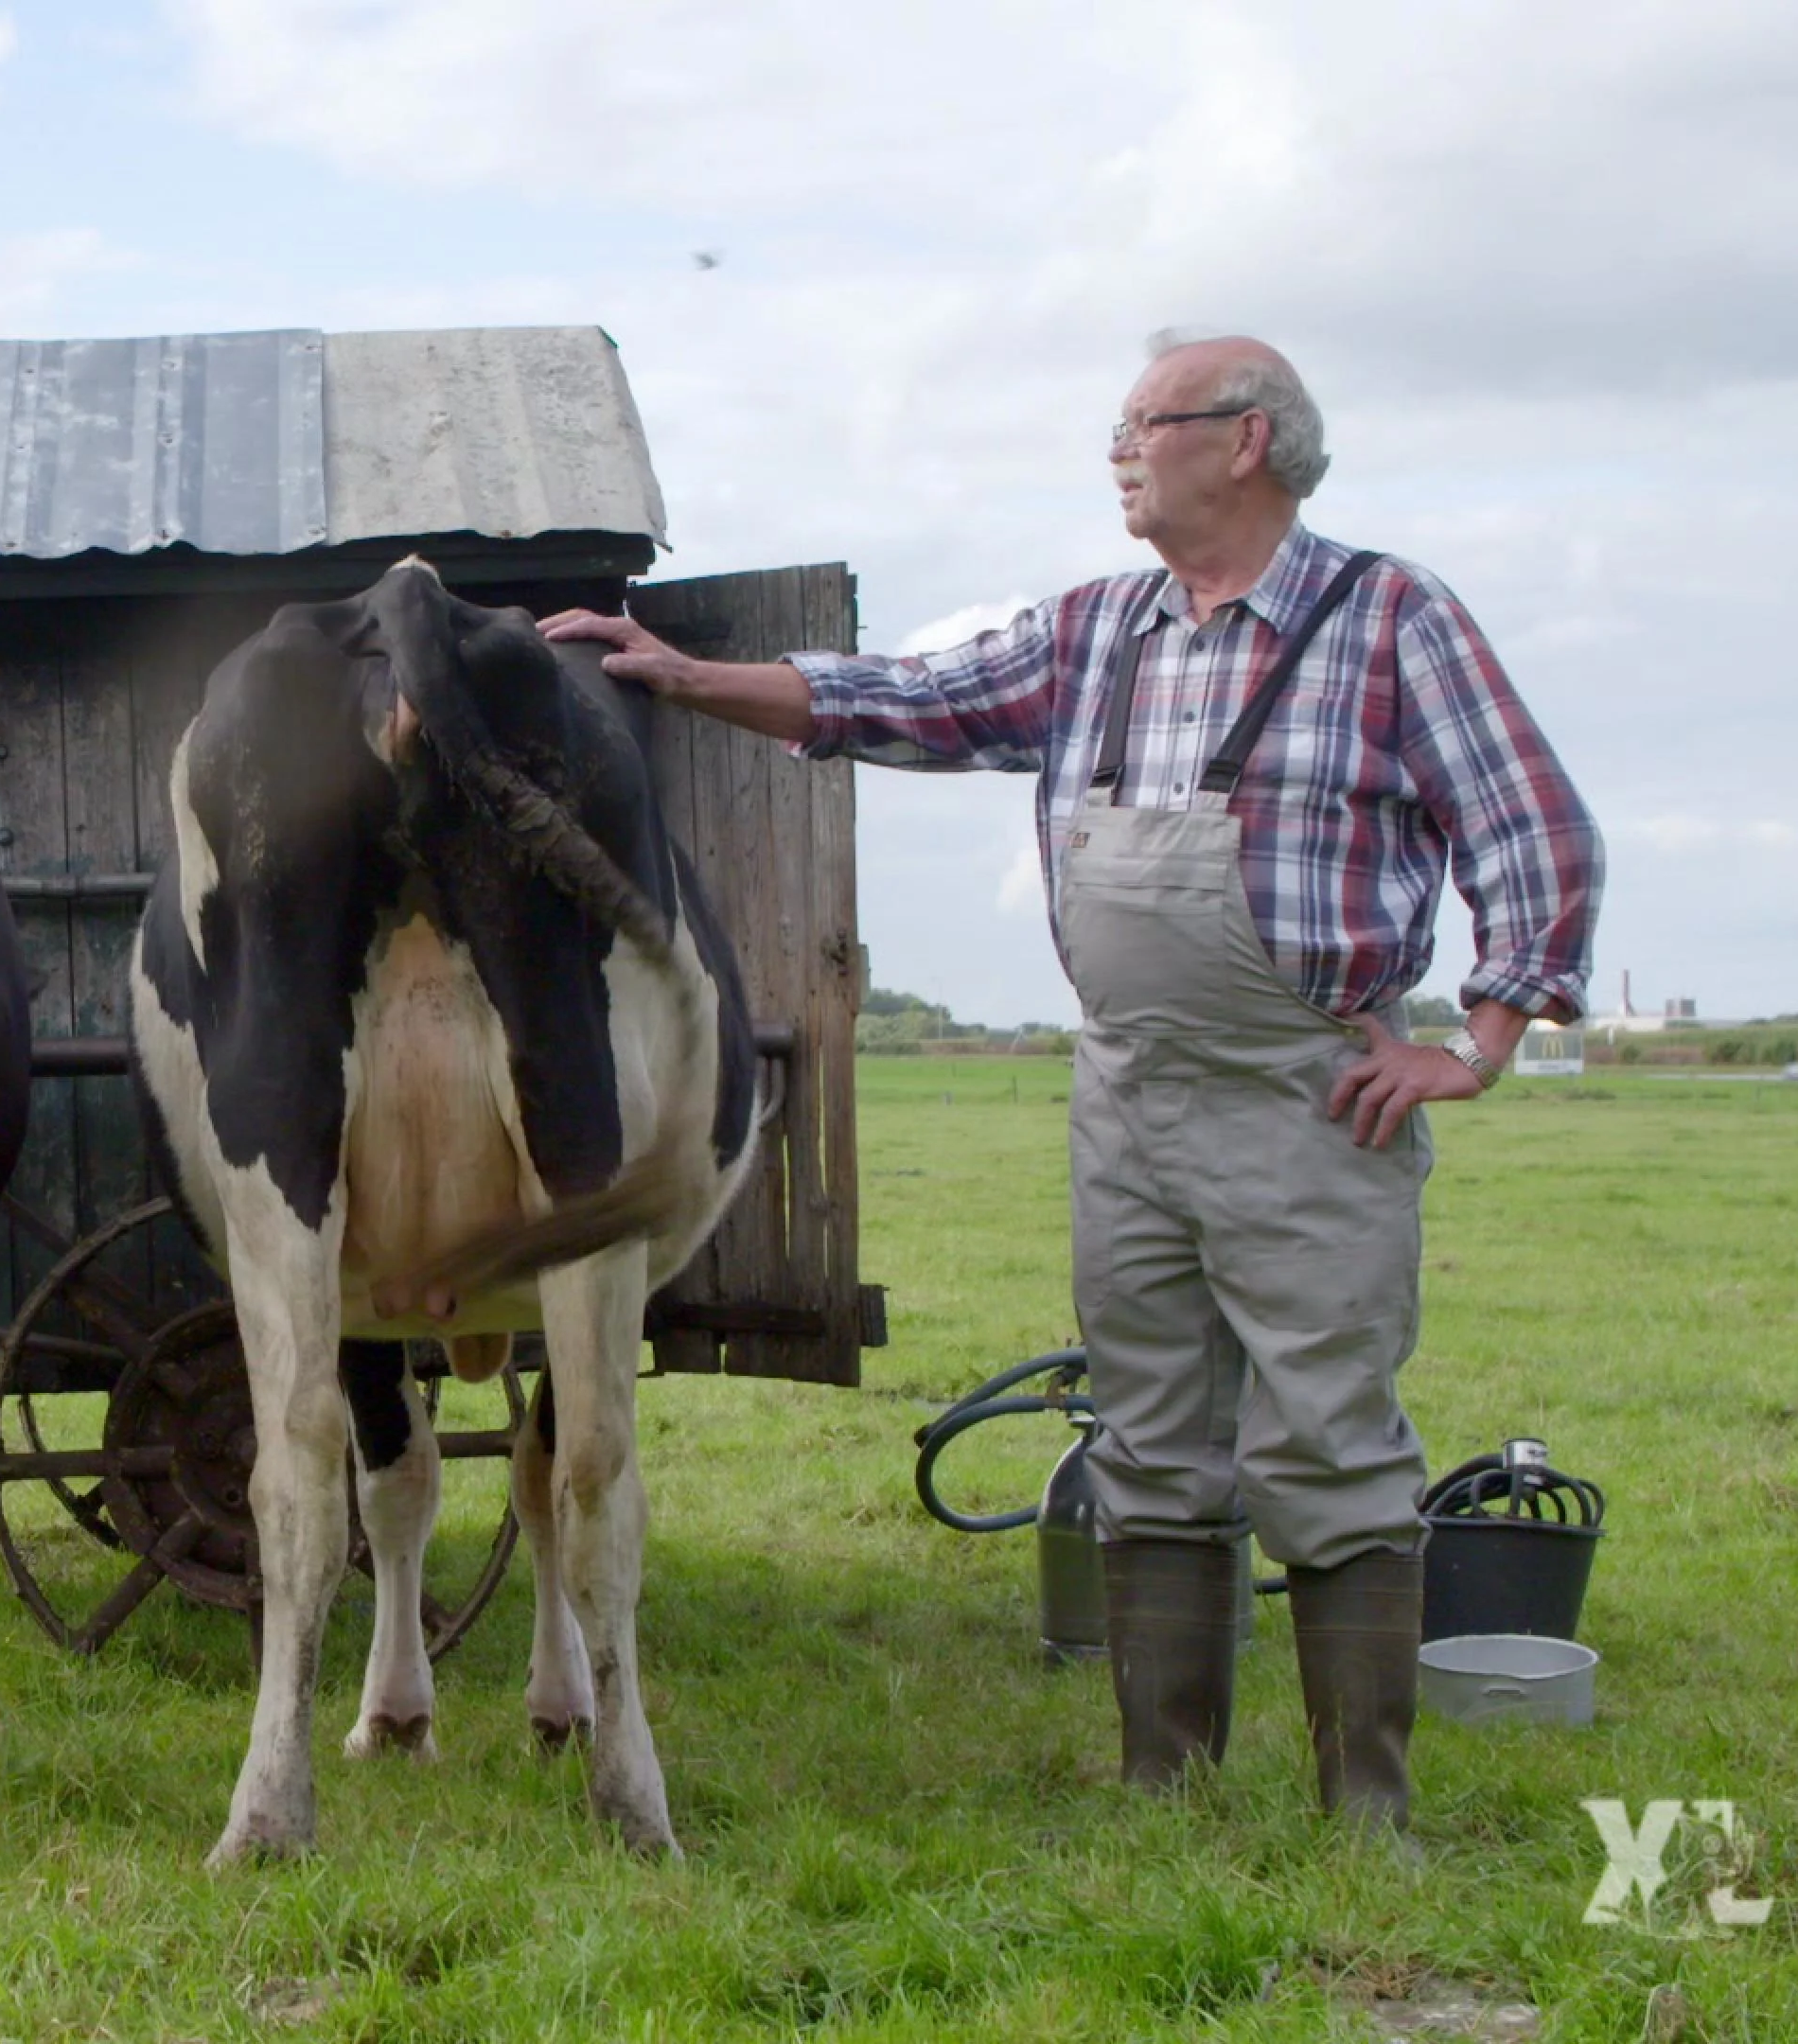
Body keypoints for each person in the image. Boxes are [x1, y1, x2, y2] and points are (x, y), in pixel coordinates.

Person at [544, 335, 1601, 1832]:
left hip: (1309, 1098)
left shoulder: (1390, 622)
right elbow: (900, 698)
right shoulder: (1100, 629)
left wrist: (1479, 1043)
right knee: (1151, 1442)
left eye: (1142, 424)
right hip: (1128, 1100)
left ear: (1243, 442)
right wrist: (684, 675)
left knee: (1330, 1446)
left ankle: (1367, 1815)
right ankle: (1167, 1792)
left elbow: (1537, 830)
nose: (1118, 450)